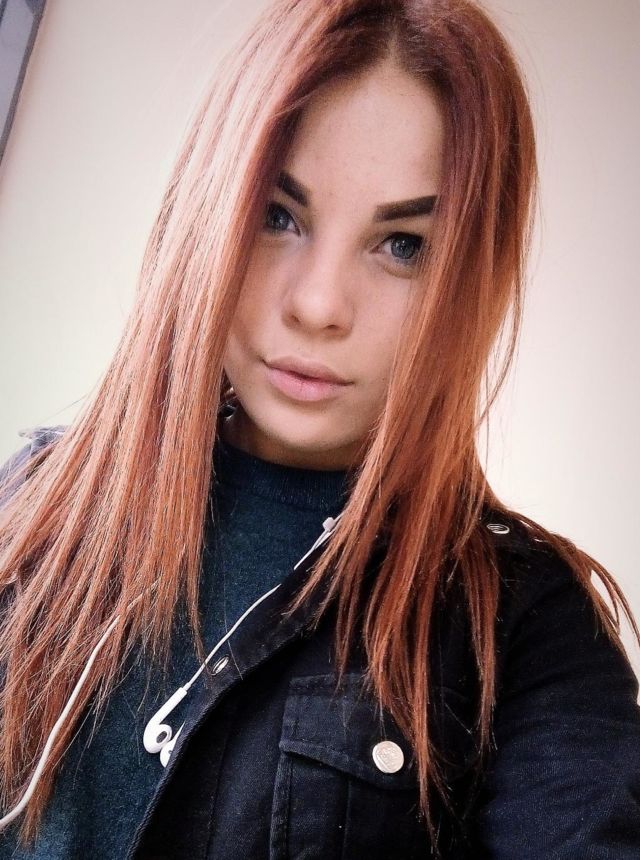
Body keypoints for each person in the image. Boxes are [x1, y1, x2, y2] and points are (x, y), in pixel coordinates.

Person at [1, 0, 639, 857]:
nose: (318, 304)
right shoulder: (37, 500)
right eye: (278, 216)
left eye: (403, 244)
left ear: (470, 275)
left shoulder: (524, 627)